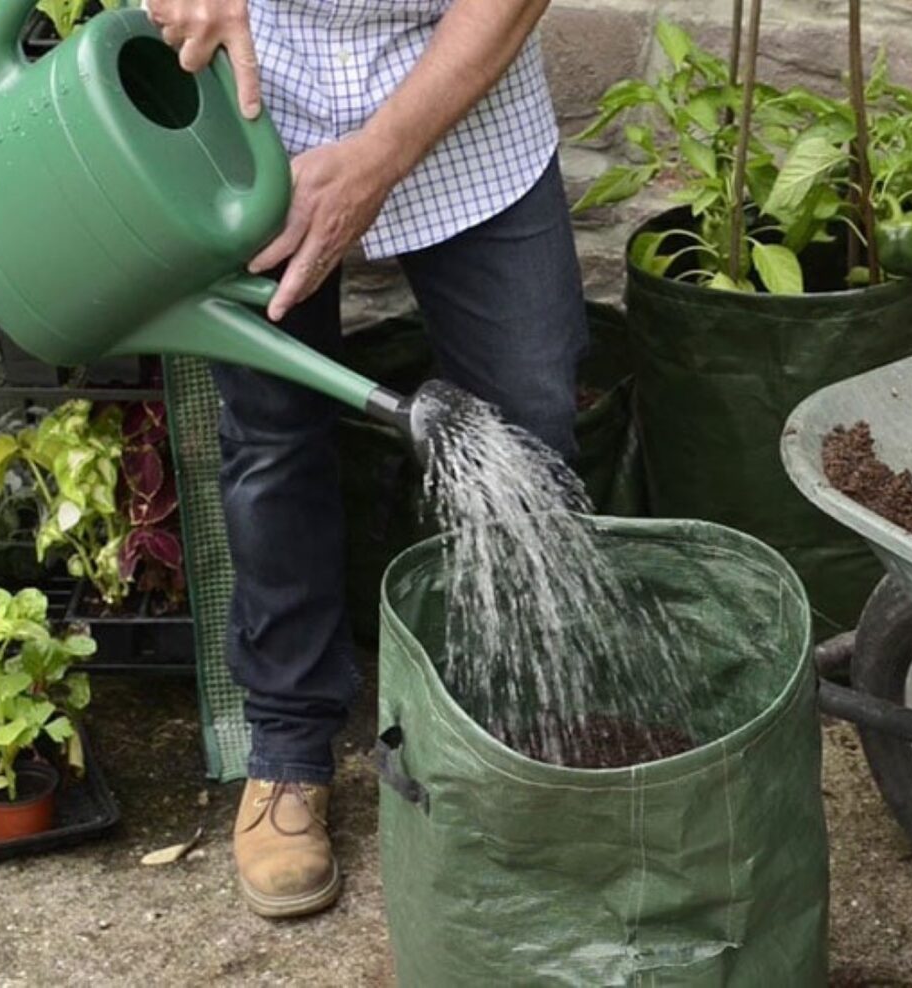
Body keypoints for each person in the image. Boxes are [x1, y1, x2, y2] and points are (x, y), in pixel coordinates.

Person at [146, 0, 586, 919]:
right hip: (249, 93)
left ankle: (511, 735)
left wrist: (380, 159)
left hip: (466, 104)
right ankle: (288, 751)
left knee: (530, 421)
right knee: (269, 438)